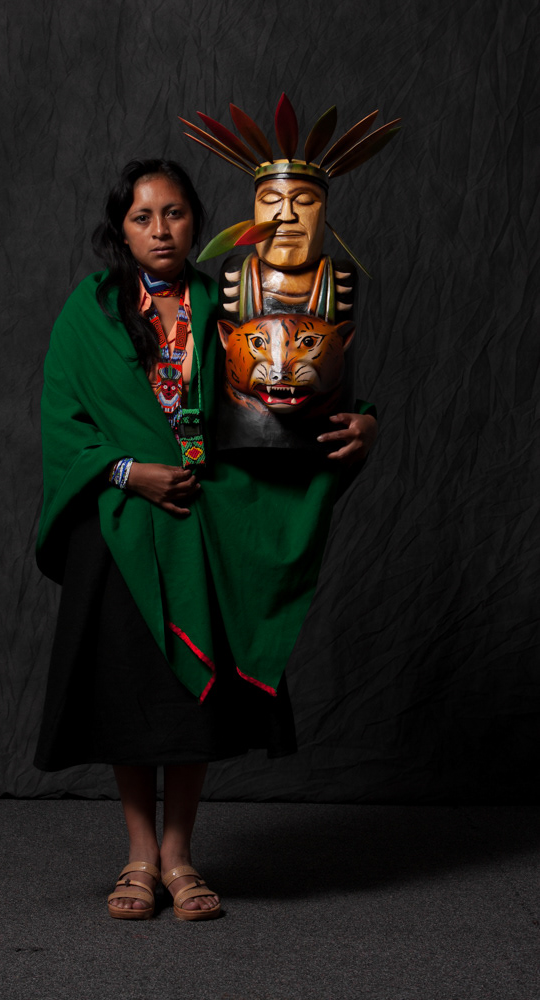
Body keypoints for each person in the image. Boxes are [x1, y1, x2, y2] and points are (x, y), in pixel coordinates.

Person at [34, 159, 377, 922]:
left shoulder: (224, 300)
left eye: (175, 213)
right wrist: (130, 473)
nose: (160, 230)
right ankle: (137, 857)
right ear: (120, 229)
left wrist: (365, 421)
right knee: (128, 695)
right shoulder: (90, 310)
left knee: (190, 699)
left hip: (203, 521)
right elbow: (63, 421)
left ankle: (180, 858)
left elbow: (291, 388)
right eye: (142, 217)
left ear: (196, 220)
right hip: (120, 525)